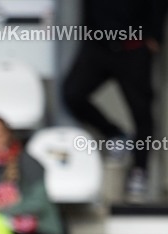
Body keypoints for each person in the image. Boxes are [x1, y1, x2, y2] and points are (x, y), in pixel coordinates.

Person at [62, 0, 166, 202]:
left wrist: (155, 36)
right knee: (73, 93)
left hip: (133, 46)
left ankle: (139, 171)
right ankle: (115, 134)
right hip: (98, 45)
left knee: (142, 112)